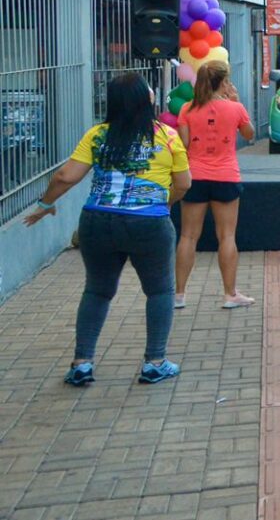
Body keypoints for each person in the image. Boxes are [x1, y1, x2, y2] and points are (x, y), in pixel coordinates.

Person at [23, 74, 189, 386]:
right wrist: (162, 203)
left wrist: (46, 205)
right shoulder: (167, 136)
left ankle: (82, 363)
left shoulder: (97, 135)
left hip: (97, 221)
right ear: (147, 100)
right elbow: (183, 183)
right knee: (159, 290)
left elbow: (64, 176)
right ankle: (155, 363)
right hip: (149, 223)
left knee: (97, 290)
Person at [174, 62, 256, 310]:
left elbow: (184, 144)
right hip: (226, 175)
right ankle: (230, 294)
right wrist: (237, 102)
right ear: (222, 82)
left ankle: (179, 294)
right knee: (227, 236)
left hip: (195, 176)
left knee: (188, 235)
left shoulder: (187, 109)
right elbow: (249, 134)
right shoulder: (235, 108)